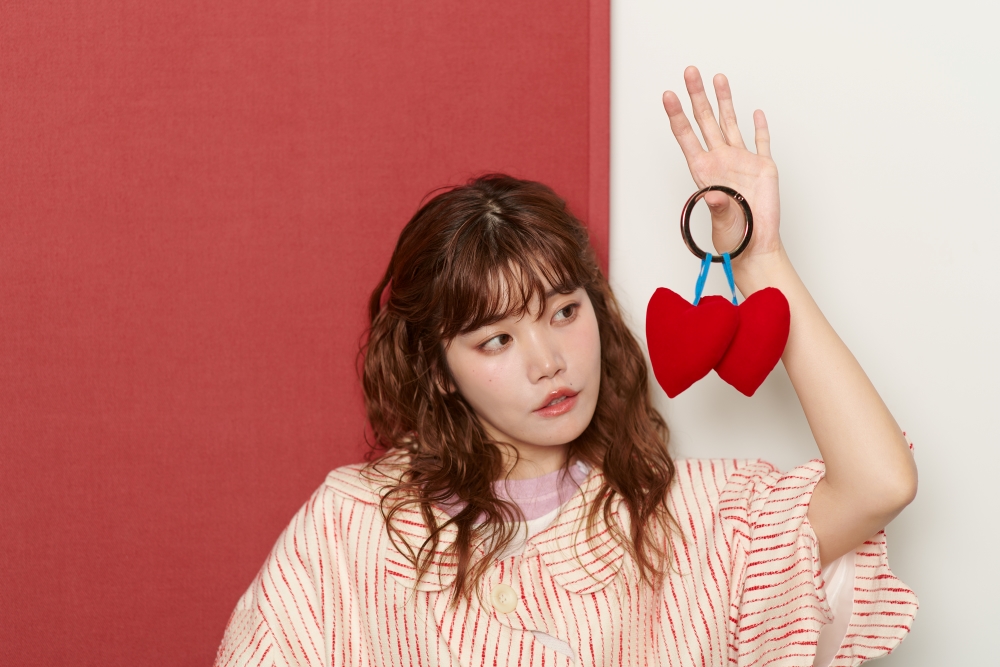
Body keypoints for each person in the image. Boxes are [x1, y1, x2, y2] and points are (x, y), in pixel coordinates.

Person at [214, 67, 917, 667]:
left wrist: (759, 255)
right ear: (438, 368)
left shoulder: (687, 517)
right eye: (496, 340)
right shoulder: (354, 526)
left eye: (563, 312)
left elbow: (879, 482)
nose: (548, 362)